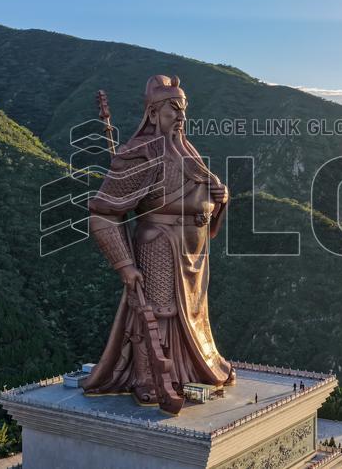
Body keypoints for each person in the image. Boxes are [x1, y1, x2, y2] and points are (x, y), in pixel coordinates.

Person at [82, 75, 235, 409]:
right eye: (173, 109)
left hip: (193, 251)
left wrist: (220, 197)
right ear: (153, 114)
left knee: (191, 315)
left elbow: (202, 199)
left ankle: (188, 370)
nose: (181, 116)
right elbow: (103, 214)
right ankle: (148, 377)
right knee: (157, 313)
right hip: (160, 244)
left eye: (183, 110)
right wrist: (125, 265)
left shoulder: (187, 150)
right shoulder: (142, 154)